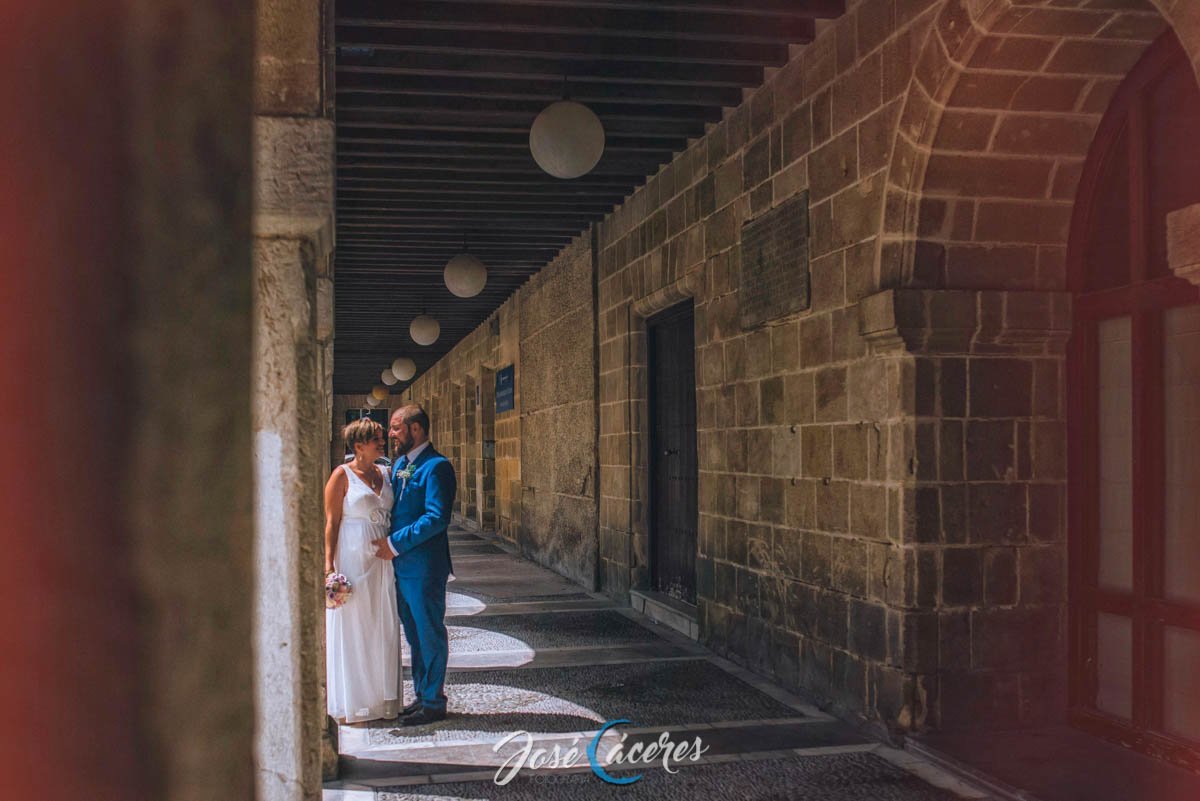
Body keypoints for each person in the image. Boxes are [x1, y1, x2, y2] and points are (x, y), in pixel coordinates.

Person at [373, 404, 457, 726]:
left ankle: (434, 701)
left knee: (429, 633)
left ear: (416, 429)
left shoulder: (437, 467)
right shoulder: (400, 466)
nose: (391, 434)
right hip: (401, 568)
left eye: (396, 428)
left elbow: (437, 518)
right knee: (414, 636)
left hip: (424, 567)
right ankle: (422, 694)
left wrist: (394, 544)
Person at [324, 418, 401, 724]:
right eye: (376, 440)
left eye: (382, 439)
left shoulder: (385, 472)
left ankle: (380, 699)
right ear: (358, 446)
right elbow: (331, 522)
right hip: (352, 557)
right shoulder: (340, 476)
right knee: (354, 626)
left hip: (382, 560)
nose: (382, 443)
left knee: (382, 624)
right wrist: (328, 566)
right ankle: (353, 701)